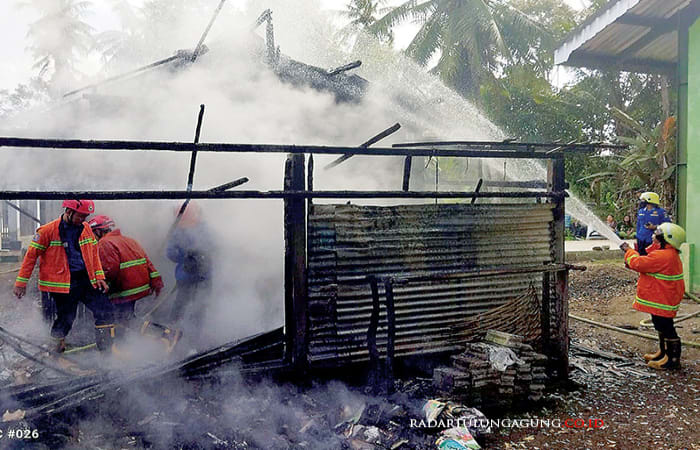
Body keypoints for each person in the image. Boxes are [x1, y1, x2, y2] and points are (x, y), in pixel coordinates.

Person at [13, 200, 115, 353]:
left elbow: (93, 254)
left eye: (86, 216)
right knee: (66, 318)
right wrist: (21, 283)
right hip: (62, 284)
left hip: (85, 280)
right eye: (80, 216)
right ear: (68, 211)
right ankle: (55, 349)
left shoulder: (86, 228)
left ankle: (107, 350)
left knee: (104, 309)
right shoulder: (46, 231)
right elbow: (30, 257)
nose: (83, 220)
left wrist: (99, 276)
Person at [620, 223, 685, 370]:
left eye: (657, 233)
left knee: (666, 327)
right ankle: (664, 353)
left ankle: (672, 360)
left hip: (663, 299)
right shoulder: (666, 253)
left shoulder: (663, 255)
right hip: (663, 298)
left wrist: (629, 251)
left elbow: (638, 263)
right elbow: (647, 264)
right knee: (660, 324)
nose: (653, 234)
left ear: (665, 239)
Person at [88, 215, 164, 328]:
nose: (92, 238)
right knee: (127, 318)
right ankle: (131, 341)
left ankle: (165, 334)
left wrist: (100, 286)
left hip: (125, 290)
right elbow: (148, 263)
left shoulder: (104, 243)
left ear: (98, 231)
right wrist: (157, 282)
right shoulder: (129, 240)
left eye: (92, 234)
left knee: (125, 320)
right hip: (139, 288)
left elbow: (109, 270)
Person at [166, 201, 213, 347]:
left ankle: (188, 341)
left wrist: (196, 256)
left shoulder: (202, 231)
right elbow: (171, 253)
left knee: (195, 308)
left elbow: (171, 253)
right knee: (183, 308)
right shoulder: (180, 232)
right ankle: (172, 339)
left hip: (199, 278)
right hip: (189, 278)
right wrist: (187, 257)